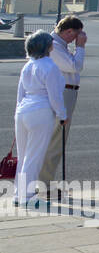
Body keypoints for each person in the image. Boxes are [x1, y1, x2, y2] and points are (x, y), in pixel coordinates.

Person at [13, 31, 66, 206]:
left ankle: (18, 194)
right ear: (47, 46)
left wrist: (17, 113)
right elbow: (55, 96)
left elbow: (20, 94)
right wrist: (62, 114)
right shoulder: (50, 66)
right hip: (41, 112)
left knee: (23, 156)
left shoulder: (27, 65)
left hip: (23, 111)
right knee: (35, 155)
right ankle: (27, 197)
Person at [38, 16, 85, 191]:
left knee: (56, 140)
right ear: (68, 31)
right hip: (63, 92)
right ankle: (44, 183)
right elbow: (75, 66)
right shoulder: (54, 46)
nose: (78, 38)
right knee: (55, 141)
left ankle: (44, 181)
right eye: (77, 34)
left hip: (67, 92)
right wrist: (80, 47)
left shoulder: (59, 45)